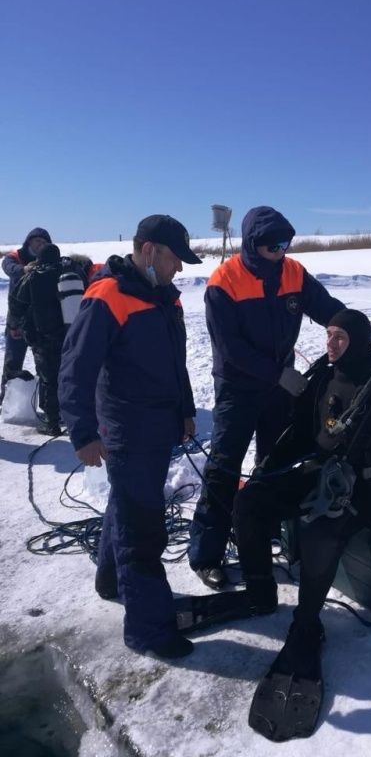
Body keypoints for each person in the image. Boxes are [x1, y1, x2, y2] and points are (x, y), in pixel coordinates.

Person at [183, 309, 371, 739]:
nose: (331, 344)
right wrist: (268, 467)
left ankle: (307, 623)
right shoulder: (324, 376)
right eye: (329, 335)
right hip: (320, 473)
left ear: (357, 339)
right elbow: (301, 432)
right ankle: (260, 592)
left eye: (340, 338)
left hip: (364, 491)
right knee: (250, 504)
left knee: (320, 530)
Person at [58, 214, 201, 659]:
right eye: (175, 258)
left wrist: (187, 410)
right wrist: (81, 431)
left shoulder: (164, 298)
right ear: (149, 251)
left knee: (127, 508)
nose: (179, 268)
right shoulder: (108, 297)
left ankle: (112, 580)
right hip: (127, 430)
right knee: (143, 531)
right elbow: (74, 369)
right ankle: (149, 630)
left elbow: (176, 364)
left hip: (160, 425)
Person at [187, 205, 348, 591]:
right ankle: (206, 555)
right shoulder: (223, 282)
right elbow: (231, 350)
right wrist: (278, 374)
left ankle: (261, 528)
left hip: (280, 388)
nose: (281, 250)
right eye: (273, 244)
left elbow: (327, 308)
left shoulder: (293, 272)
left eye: (286, 242)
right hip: (238, 388)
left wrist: (352, 330)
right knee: (224, 468)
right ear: (252, 244)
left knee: (274, 462)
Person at [7, 243, 84, 436]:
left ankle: (52, 423)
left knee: (49, 378)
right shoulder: (72, 274)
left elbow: (17, 303)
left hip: (43, 337)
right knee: (71, 375)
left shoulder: (33, 276)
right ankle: (75, 416)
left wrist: (15, 326)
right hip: (72, 335)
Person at [1, 227, 52, 407]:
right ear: (29, 242)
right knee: (13, 361)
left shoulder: (47, 260)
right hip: (18, 320)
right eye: (37, 241)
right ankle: (5, 401)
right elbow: (8, 268)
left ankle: (46, 405)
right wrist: (24, 270)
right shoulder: (14, 257)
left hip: (40, 321)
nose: (40, 245)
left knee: (45, 364)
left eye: (45, 242)